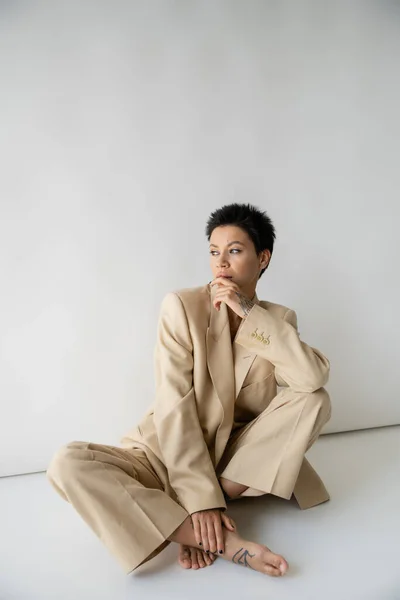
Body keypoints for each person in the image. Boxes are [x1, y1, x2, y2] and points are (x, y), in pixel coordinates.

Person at [46, 202, 331, 577]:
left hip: (231, 465)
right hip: (164, 454)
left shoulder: (277, 321)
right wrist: (199, 500)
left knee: (315, 399)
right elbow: (174, 406)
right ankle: (214, 539)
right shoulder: (182, 307)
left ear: (263, 258)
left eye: (234, 250)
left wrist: (249, 313)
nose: (221, 263)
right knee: (67, 462)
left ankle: (202, 505)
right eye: (214, 252)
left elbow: (311, 379)